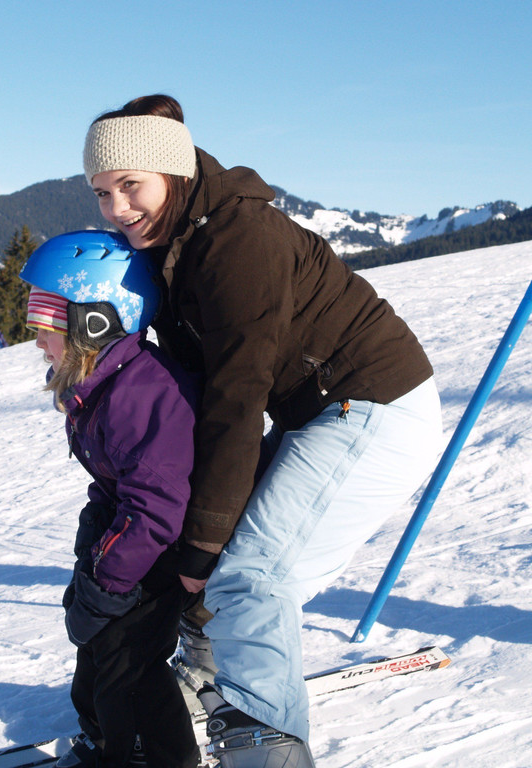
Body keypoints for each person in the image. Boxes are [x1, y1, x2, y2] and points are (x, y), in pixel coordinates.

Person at [81, 95, 444, 767]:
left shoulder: (238, 239)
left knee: (249, 575)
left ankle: (263, 745)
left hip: (374, 404)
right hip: (319, 411)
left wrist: (204, 539)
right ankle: (212, 678)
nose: (116, 208)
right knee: (216, 550)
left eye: (130, 185)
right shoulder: (175, 242)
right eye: (102, 192)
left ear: (175, 173)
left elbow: (237, 397)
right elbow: (196, 398)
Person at [19, 229, 202, 768]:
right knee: (97, 646)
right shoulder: (103, 383)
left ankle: (154, 756)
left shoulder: (140, 395)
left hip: (169, 545)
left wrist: (107, 584)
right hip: (139, 540)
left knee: (128, 659)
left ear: (93, 322)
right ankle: (104, 739)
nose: (37, 340)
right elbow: (117, 476)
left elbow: (155, 508)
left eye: (45, 323)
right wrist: (95, 528)